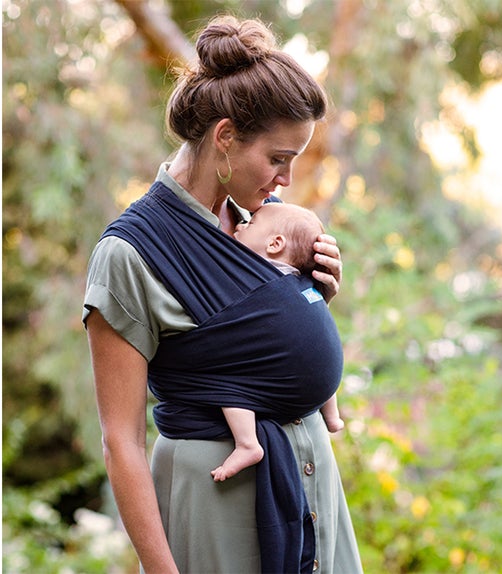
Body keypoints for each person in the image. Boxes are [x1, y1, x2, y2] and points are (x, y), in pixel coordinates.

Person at [84, 14, 363, 574]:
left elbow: (256, 351)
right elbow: (122, 441)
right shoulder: (132, 254)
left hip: (313, 485)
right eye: (278, 158)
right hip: (217, 507)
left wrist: (303, 306)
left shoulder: (268, 232)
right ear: (227, 137)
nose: (286, 179)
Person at [211, 202, 345, 482]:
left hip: (282, 361)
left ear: (274, 244)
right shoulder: (303, 283)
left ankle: (247, 443)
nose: (239, 226)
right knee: (313, 350)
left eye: (250, 224)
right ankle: (332, 416)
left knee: (230, 382)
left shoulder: (251, 277)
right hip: (323, 370)